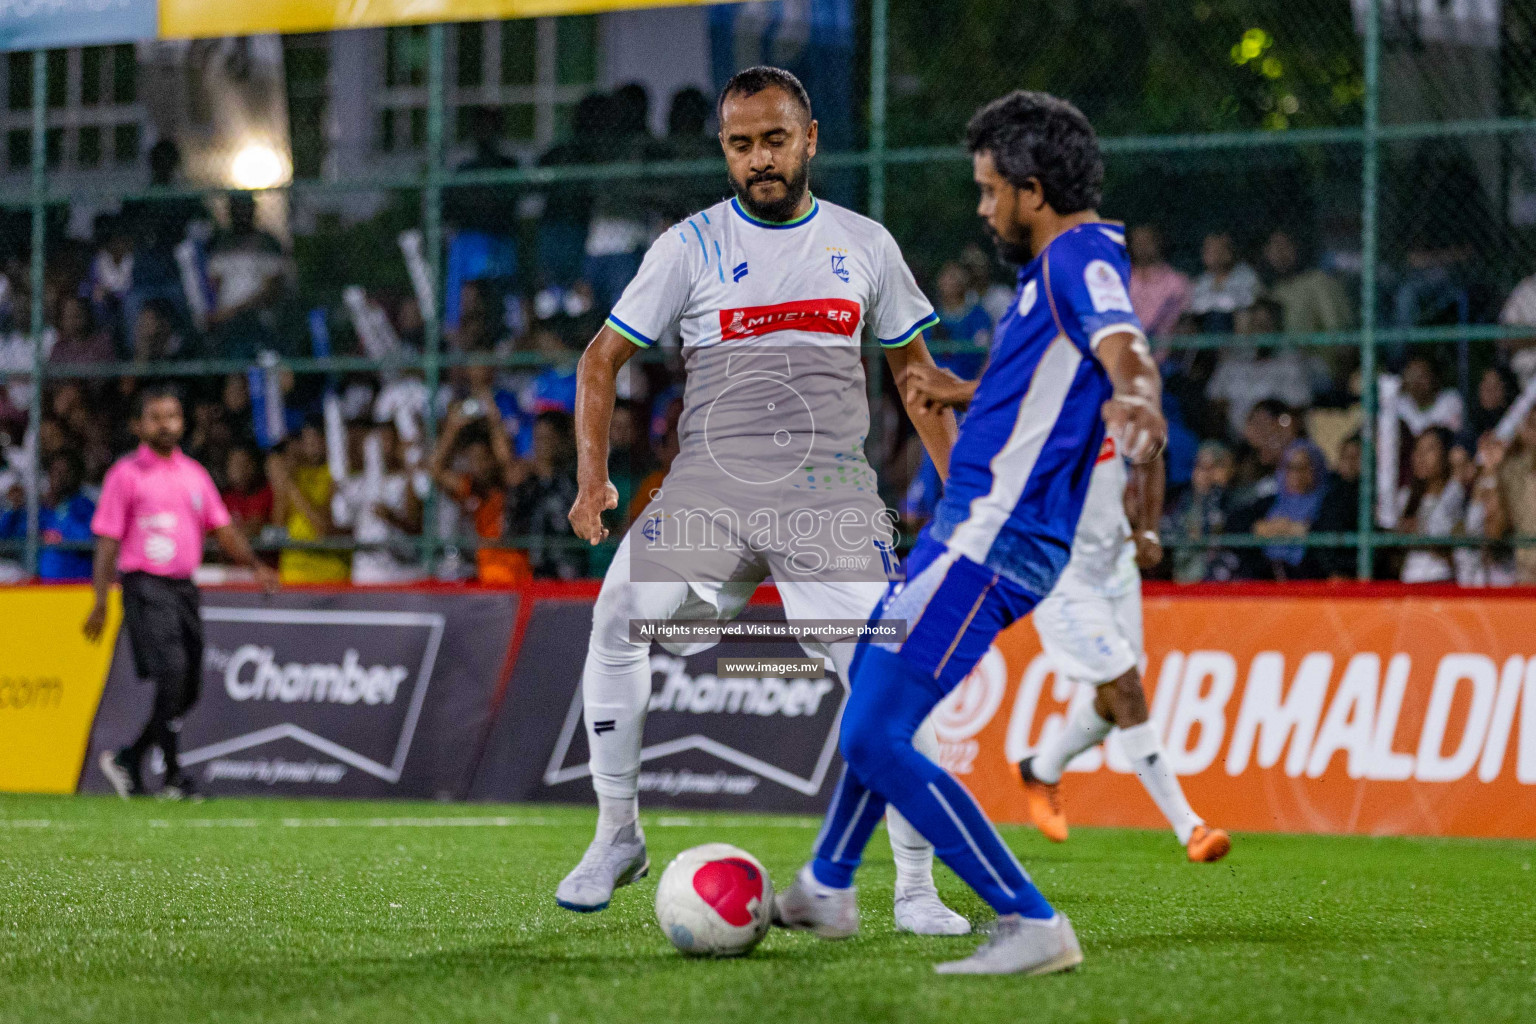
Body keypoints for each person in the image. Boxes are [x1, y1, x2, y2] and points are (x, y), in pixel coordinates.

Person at [555, 66, 967, 937]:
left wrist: (963, 493)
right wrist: (593, 478)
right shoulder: (687, 246)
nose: (760, 160)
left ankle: (917, 889)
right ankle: (616, 834)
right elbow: (599, 361)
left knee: (892, 682)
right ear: (725, 151)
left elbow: (917, 379)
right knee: (620, 611)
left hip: (829, 496)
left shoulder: (865, 244)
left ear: (809, 138)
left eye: (775, 140)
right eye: (741, 146)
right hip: (709, 487)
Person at [774, 90, 1166, 975]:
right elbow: (1046, 385)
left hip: (994, 540)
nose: (983, 208)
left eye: (989, 190)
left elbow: (1121, 341)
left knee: (874, 734)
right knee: (874, 680)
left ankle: (1031, 920)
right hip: (971, 528)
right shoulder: (1054, 271)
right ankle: (830, 882)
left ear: (1031, 190)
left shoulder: (1079, 260)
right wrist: (966, 394)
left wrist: (1137, 393)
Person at [1017, 433, 1230, 860]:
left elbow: (1150, 453)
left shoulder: (1112, 395)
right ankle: (1191, 828)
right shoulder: (1033, 403)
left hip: (1116, 571)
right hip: (1062, 579)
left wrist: (1147, 527)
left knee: (1117, 697)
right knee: (1126, 687)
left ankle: (1040, 769)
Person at [85, 384, 278, 800]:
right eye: (156, 417)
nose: (166, 424)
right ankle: (174, 777)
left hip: (184, 589)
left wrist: (255, 565)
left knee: (188, 686)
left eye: (172, 416)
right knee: (172, 673)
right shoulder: (126, 475)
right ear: (138, 425)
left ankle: (130, 758)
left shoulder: (195, 474)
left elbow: (222, 529)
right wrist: (101, 599)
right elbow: (107, 542)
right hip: (144, 585)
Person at [431, 395, 530, 584]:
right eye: (473, 460)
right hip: (485, 580)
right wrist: (452, 428)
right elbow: (436, 470)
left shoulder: (509, 485)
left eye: (483, 458)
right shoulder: (473, 488)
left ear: (494, 459)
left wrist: (494, 421)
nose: (479, 466)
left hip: (517, 579)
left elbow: (508, 462)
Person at [268, 420, 350, 584]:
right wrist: (281, 483)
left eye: (316, 439)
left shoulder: (338, 476)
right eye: (306, 440)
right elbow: (277, 526)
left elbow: (323, 528)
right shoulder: (296, 474)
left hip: (329, 575)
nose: (311, 445)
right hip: (293, 575)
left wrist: (291, 487)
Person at [0, 450, 96, 580]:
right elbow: (7, 536)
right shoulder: (39, 510)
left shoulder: (85, 506)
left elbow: (91, 537)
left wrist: (61, 528)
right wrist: (12, 509)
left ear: (76, 476)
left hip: (76, 585)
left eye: (65, 472)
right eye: (55, 471)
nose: (59, 477)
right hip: (40, 587)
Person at [1251, 439, 1330, 581]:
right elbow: (1239, 522)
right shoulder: (1270, 503)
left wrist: (1305, 530)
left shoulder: (1328, 503)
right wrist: (1262, 527)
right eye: (1290, 467)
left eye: (1304, 467)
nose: (1296, 474)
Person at [1395, 426, 1466, 583]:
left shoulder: (1456, 491)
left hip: (1442, 580)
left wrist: (1419, 531)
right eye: (1417, 449)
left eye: (1430, 449)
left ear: (1446, 454)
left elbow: (1442, 536)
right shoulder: (1405, 496)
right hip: (1409, 581)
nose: (1420, 457)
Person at [1261, 228, 1353, 334]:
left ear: (1297, 248)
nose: (1280, 253)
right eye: (1274, 248)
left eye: (1285, 246)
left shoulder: (1318, 280)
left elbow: (1339, 334)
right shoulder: (1271, 291)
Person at [1127, 224, 1190, 338]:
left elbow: (1184, 323)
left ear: (1159, 243)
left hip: (1164, 350)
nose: (1142, 247)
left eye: (1147, 241)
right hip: (1127, 349)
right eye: (1138, 242)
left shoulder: (1176, 282)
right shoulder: (1121, 279)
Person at [1189, 231, 1259, 333]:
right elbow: (1197, 308)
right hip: (1206, 326)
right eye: (1207, 248)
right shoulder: (1202, 280)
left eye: (1216, 248)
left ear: (1229, 252)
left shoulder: (1246, 275)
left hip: (1234, 328)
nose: (1208, 252)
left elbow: (1246, 304)